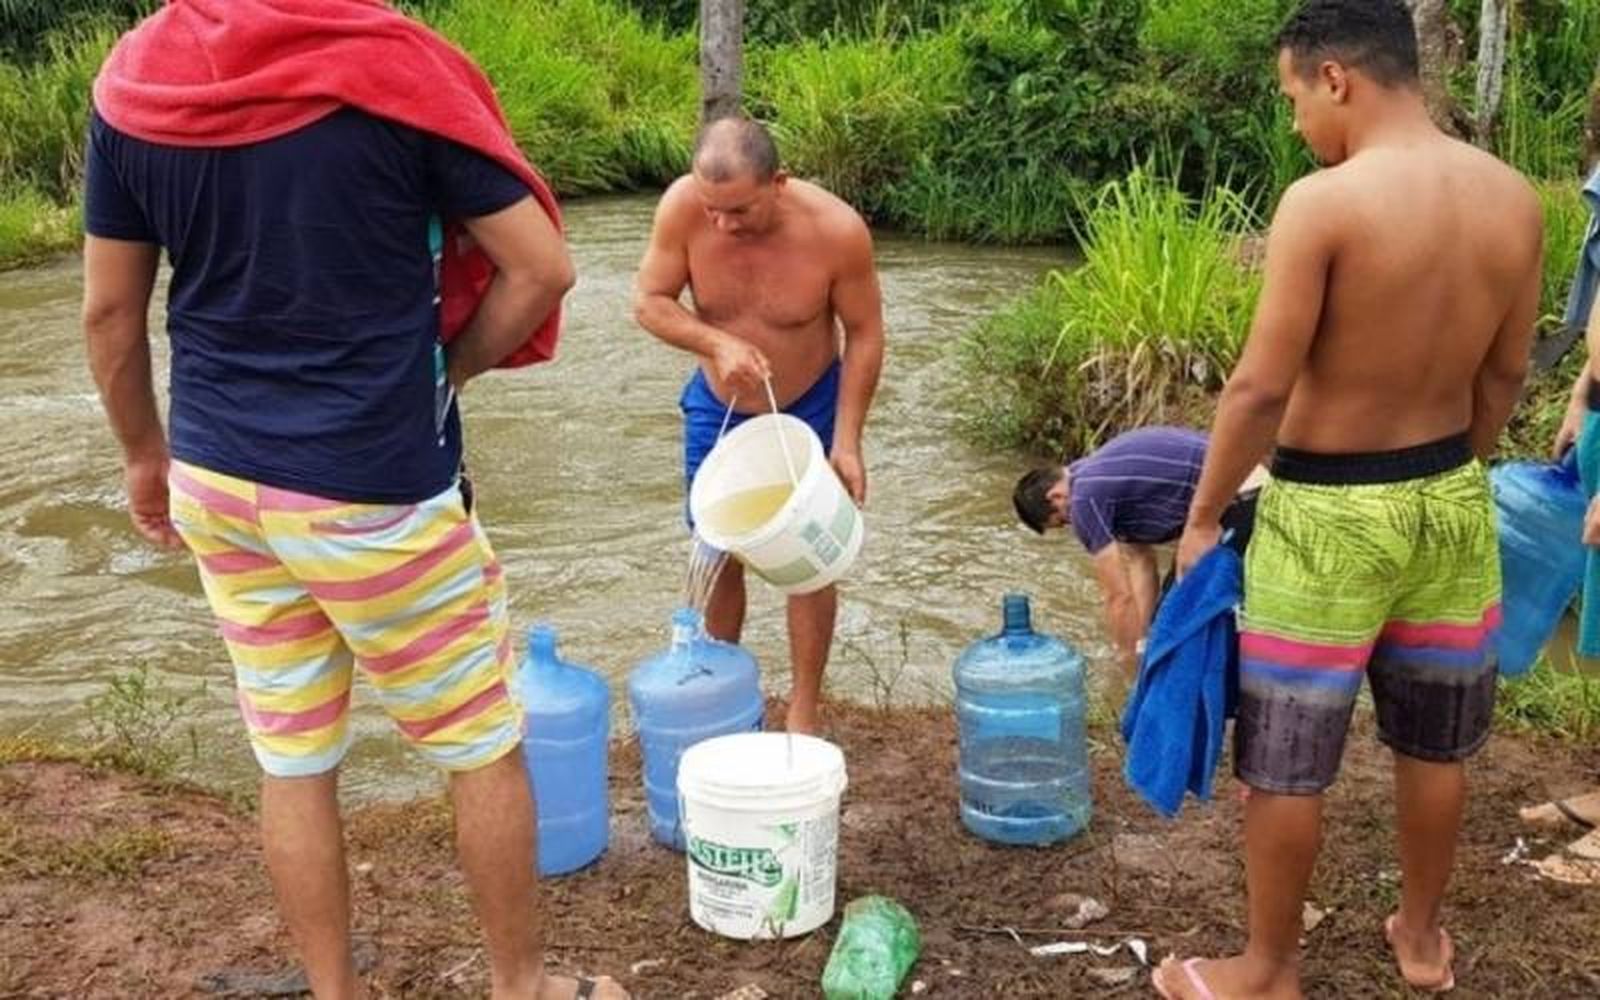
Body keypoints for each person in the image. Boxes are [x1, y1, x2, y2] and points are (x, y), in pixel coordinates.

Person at [81, 2, 623, 998]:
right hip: (372, 488)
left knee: (292, 753)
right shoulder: (387, 73)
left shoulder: (138, 83)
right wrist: (446, 371)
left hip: (218, 481)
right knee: (480, 744)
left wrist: (140, 456)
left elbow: (110, 309)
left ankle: (334, 991)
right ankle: (521, 988)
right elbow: (542, 268)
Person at [1164, 1, 1542, 996]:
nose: (1296, 125)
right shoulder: (1514, 198)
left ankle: (1268, 966)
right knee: (1433, 740)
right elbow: (1504, 372)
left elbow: (1258, 385)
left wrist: (1203, 517)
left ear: (1336, 76)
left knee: (1287, 754)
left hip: (1326, 511)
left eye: (1294, 97)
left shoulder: (1324, 202)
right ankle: (1419, 939)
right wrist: (1453, 472)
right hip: (1453, 495)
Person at [634, 117, 885, 735]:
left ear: (779, 182)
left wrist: (847, 440)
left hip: (811, 401)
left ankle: (803, 708)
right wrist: (715, 343)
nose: (722, 223)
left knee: (810, 556)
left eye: (739, 209)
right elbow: (650, 302)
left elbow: (866, 334)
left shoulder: (836, 231)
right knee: (716, 548)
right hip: (719, 406)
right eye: (712, 208)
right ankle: (726, 689)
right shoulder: (683, 209)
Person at [1013, 426, 1264, 679]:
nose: (1071, 524)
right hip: (1246, 485)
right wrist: (1141, 642)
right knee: (1167, 624)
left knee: (1183, 624)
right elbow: (1140, 561)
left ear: (1055, 496)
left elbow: (1118, 596)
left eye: (1062, 521)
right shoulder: (1098, 478)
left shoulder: (1083, 500)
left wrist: (1124, 664)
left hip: (1241, 496)